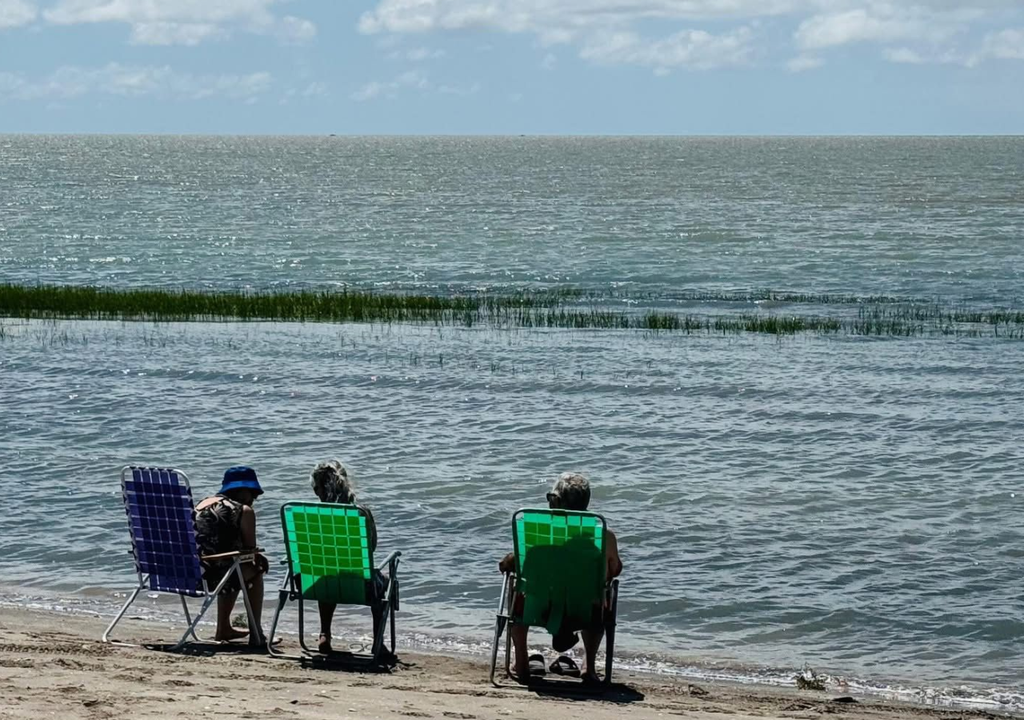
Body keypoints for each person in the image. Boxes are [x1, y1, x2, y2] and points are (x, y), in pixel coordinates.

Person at [498, 472, 623, 684]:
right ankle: (589, 667)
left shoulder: (536, 533)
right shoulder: (604, 535)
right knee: (603, 592)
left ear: (555, 501)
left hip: (539, 607)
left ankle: (520, 663)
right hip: (585, 610)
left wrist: (510, 561)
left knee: (515, 584)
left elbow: (510, 564)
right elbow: (616, 569)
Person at [309, 459, 386, 654]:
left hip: (315, 584)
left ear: (318, 489)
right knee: (384, 580)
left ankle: (324, 633)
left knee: (326, 571)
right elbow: (372, 547)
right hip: (360, 585)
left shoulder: (311, 515)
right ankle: (378, 642)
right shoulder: (361, 512)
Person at [194, 466, 269, 646]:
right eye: (253, 494)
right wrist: (261, 558)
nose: (253, 499)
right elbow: (250, 551)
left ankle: (223, 628)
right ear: (243, 491)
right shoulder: (243, 510)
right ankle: (256, 633)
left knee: (232, 566)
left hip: (194, 575)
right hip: (216, 577)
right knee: (254, 569)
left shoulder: (200, 505)